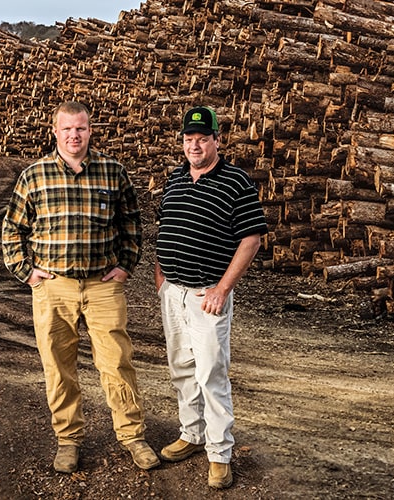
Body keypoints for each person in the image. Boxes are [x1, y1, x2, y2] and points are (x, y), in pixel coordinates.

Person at [1, 101, 159, 474]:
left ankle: (132, 435)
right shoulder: (34, 175)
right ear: (54, 132)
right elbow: (12, 229)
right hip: (54, 287)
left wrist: (125, 266)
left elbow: (132, 223)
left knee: (117, 362)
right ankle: (68, 440)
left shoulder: (112, 172)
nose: (74, 135)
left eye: (81, 128)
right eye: (67, 129)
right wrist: (26, 272)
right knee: (58, 366)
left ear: (91, 130)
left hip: (103, 285)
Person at [154, 105, 268, 489]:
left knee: (211, 374)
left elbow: (250, 239)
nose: (195, 145)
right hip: (174, 292)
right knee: (182, 368)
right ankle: (192, 433)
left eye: (203, 138)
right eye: (189, 139)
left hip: (208, 294)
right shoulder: (175, 178)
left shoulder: (236, 181)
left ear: (217, 140)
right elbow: (165, 227)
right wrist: (161, 278)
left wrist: (223, 288)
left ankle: (220, 453)